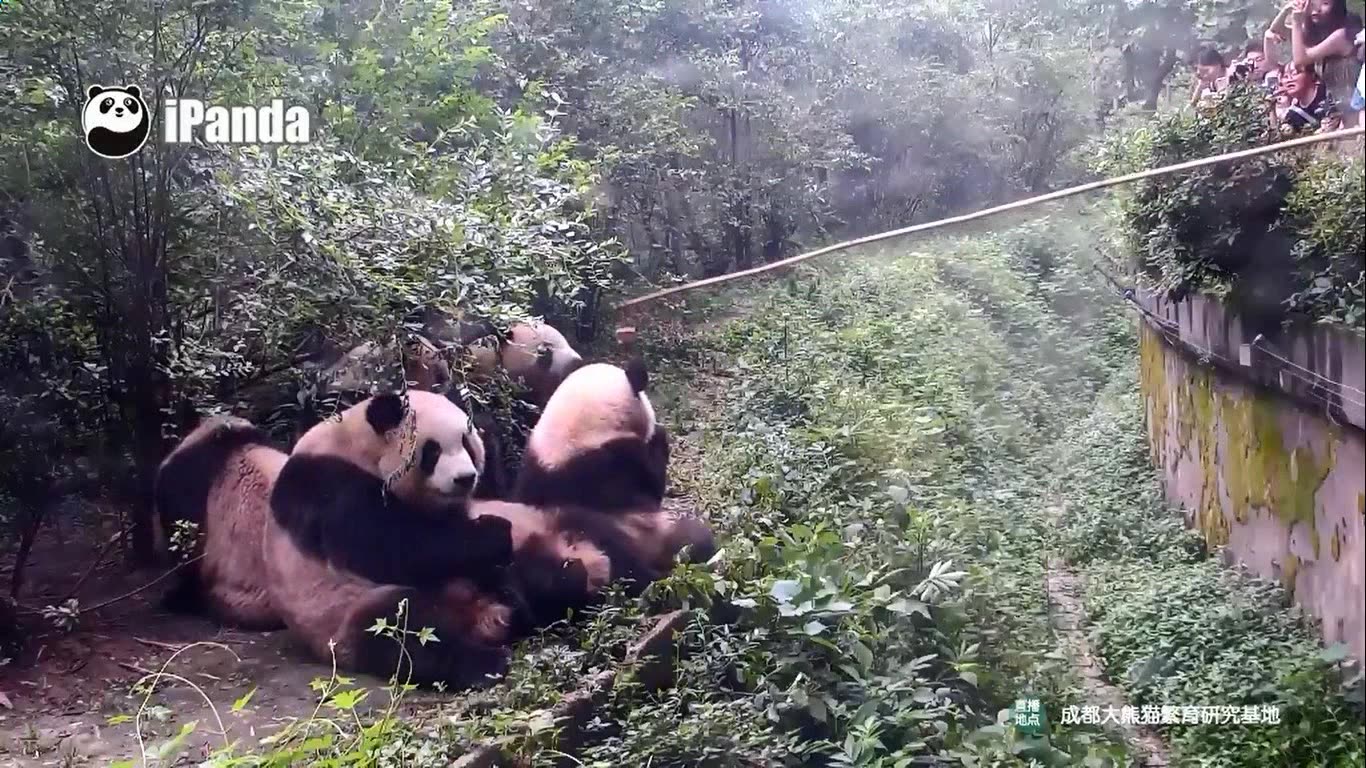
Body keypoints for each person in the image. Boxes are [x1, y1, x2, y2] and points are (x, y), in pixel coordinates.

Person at [1289, 0, 1363, 116]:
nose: (1317, 9)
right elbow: (1275, 32)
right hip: (1339, 113)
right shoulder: (1320, 35)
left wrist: (1296, 21)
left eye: (1325, 3)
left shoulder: (1342, 35)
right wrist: (1292, 7)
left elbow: (1300, 60)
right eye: (1312, 4)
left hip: (1357, 111)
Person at [1273, 61, 1339, 133]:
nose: (1289, 79)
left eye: (1295, 73)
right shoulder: (1294, 115)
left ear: (1312, 74)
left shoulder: (1330, 93)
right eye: (1285, 76)